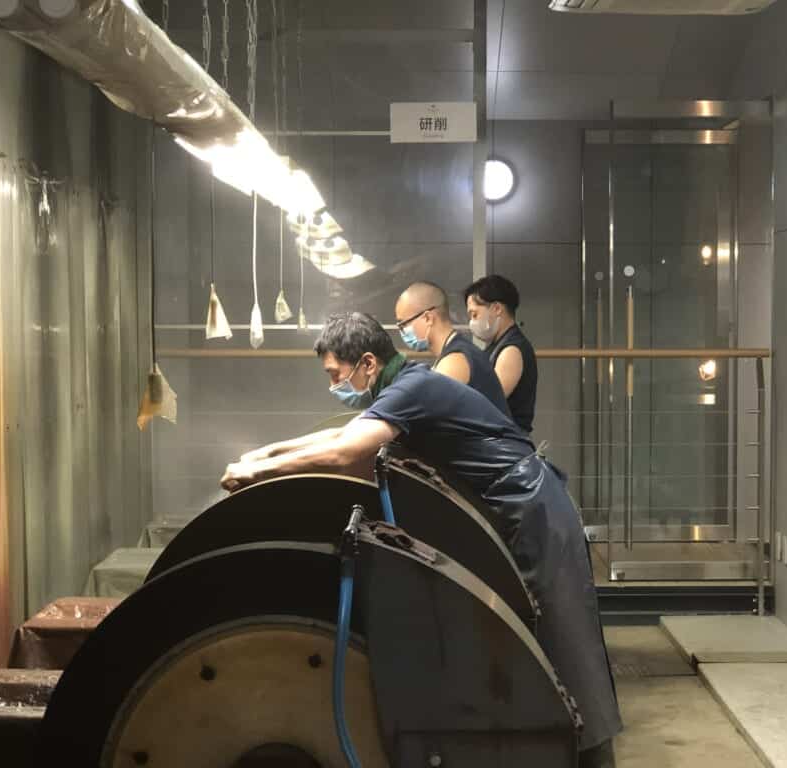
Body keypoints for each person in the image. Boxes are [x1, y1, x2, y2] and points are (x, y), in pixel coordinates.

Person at [221, 312, 621, 766]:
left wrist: (258, 471)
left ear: (367, 363)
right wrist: (266, 452)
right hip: (516, 503)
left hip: (531, 505)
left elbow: (346, 450)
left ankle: (589, 757)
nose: (334, 384)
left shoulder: (412, 388)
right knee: (542, 633)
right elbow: (341, 433)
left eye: (336, 374)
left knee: (562, 635)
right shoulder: (403, 386)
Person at [394, 281, 511, 418]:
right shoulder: (455, 352)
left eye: (403, 324)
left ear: (427, 318)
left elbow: (423, 412)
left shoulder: (455, 360)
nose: (402, 331)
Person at [463, 275, 538, 434]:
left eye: (474, 314)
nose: (472, 322)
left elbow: (489, 401)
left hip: (507, 446)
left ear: (497, 309)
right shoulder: (497, 345)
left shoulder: (511, 350)